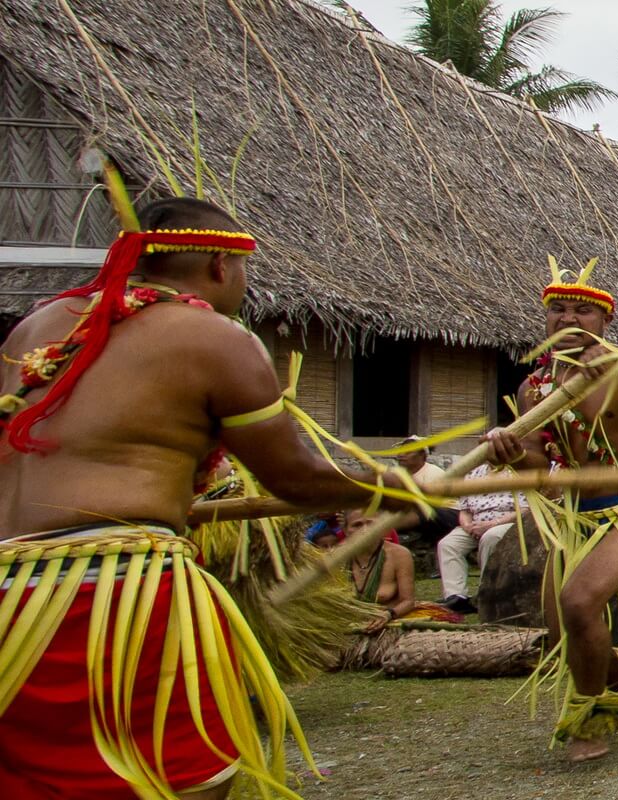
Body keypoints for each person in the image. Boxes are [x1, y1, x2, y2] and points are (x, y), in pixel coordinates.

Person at [0, 197, 400, 799]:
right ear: (221, 264)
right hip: (117, 595)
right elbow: (294, 477)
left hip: (11, 600)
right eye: (245, 272)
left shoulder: (37, 327)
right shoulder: (216, 337)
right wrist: (384, 486)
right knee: (187, 780)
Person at [481, 259, 618, 762]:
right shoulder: (533, 388)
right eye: (558, 310)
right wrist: (512, 451)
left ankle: (588, 720)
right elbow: (538, 459)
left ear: (605, 321)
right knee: (564, 622)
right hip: (578, 514)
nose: (569, 318)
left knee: (579, 600)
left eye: (584, 311)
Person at [435, 462, 524, 614]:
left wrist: (490, 524)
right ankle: (456, 597)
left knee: (490, 538)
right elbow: (464, 509)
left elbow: (524, 509)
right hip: (475, 524)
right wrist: (467, 525)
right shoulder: (473, 473)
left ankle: (486, 593)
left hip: (506, 522)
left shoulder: (519, 471)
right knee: (448, 544)